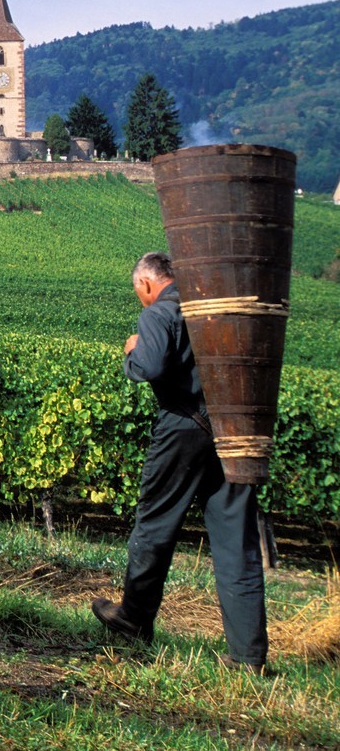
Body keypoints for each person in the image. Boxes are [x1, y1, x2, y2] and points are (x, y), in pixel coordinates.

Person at [91, 251, 270, 674]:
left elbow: (148, 366)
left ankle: (133, 619)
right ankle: (248, 657)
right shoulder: (212, 309)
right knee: (236, 542)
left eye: (139, 292)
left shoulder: (160, 314)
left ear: (147, 284)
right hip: (232, 430)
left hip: (182, 430)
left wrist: (131, 353)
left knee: (155, 524)